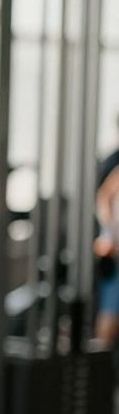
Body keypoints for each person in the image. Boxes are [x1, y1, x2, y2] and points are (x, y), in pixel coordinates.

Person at [95, 126, 119, 347]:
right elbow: (104, 198)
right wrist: (111, 235)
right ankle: (100, 358)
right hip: (114, 250)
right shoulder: (114, 161)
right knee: (111, 310)